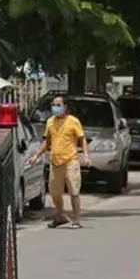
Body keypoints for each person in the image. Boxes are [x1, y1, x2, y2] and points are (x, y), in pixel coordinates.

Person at [28, 96, 90, 229]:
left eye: (58, 105)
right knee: (55, 193)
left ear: (65, 107)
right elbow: (46, 142)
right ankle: (61, 215)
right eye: (53, 105)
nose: (55, 108)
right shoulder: (50, 122)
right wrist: (36, 155)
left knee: (74, 192)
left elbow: (82, 139)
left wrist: (86, 156)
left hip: (70, 161)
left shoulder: (73, 121)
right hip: (55, 162)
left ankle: (76, 219)